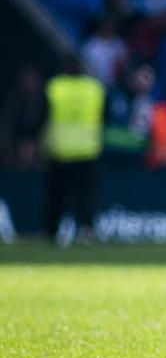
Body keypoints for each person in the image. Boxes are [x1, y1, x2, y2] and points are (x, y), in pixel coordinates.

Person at [42, 54, 106, 244]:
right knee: (86, 197)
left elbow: (43, 117)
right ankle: (86, 231)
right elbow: (104, 117)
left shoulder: (55, 88)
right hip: (88, 151)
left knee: (57, 196)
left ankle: (52, 232)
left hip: (59, 151)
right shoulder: (94, 89)